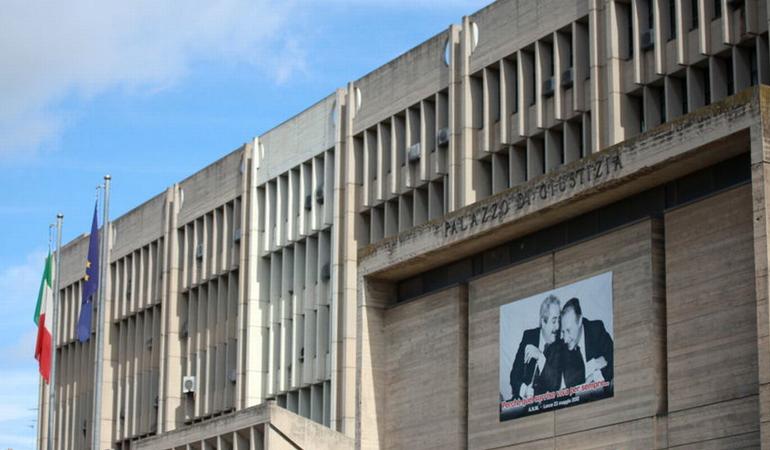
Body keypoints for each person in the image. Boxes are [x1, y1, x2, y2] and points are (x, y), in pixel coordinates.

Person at [509, 295, 563, 399]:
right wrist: (525, 391)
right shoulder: (529, 336)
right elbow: (514, 375)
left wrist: (541, 357)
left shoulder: (561, 343)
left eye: (559, 321)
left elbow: (556, 383)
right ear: (543, 321)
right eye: (554, 321)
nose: (558, 326)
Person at [560, 297, 614, 385]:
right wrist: (593, 364)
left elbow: (613, 360)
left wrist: (595, 377)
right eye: (563, 332)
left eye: (569, 330)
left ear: (580, 321)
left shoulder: (596, 329)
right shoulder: (562, 346)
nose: (565, 339)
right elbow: (568, 381)